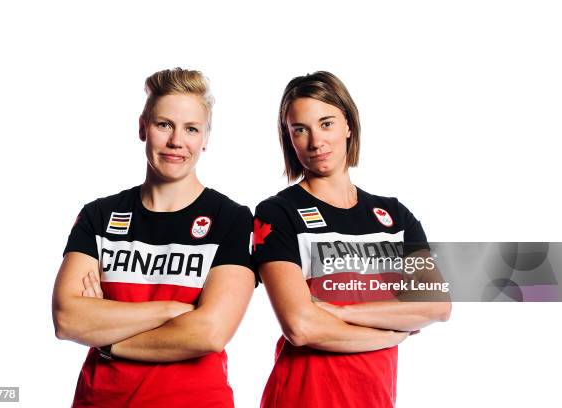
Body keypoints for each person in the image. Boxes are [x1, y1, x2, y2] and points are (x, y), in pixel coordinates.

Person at [52, 68, 255, 408]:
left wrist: (106, 338)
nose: (177, 141)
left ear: (205, 138)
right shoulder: (99, 216)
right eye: (164, 125)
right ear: (143, 128)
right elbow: (67, 318)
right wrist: (172, 310)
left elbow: (209, 332)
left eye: (191, 129)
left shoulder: (232, 220)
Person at [252, 71, 451, 408]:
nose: (316, 142)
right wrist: (395, 331)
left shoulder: (394, 217)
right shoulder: (277, 213)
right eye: (300, 130)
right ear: (289, 138)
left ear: (348, 124)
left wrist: (336, 312)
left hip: (375, 398)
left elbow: (436, 305)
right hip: (302, 398)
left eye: (326, 123)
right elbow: (301, 326)